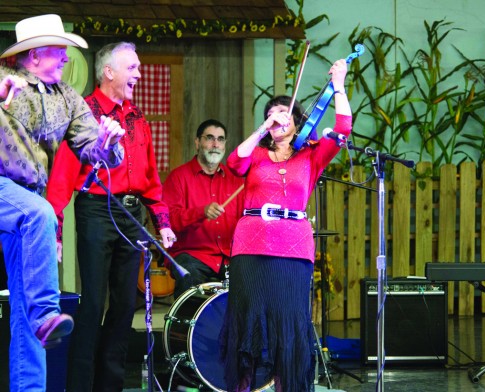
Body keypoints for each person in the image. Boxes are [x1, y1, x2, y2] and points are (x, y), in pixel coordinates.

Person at [0, 14, 125, 391]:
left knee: (25, 309)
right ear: (35, 55)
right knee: (39, 214)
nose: (67, 58)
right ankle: (46, 315)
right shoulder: (4, 82)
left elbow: (94, 150)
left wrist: (108, 144)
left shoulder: (67, 98)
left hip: (22, 203)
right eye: (60, 51)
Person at [46, 42, 176, 391]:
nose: (138, 73)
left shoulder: (137, 116)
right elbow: (62, 177)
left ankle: (111, 386)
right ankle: (80, 386)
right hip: (96, 210)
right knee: (91, 305)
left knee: (123, 309)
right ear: (109, 72)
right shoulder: (84, 113)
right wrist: (56, 230)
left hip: (130, 213)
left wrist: (161, 221)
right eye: (131, 67)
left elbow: (150, 176)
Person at [220, 58, 352, 391]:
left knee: (288, 328)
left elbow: (344, 127)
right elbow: (234, 162)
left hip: (294, 249)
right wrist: (264, 129)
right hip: (250, 246)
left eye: (285, 114)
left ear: (297, 122)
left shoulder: (311, 155)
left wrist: (339, 85)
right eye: (272, 114)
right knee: (247, 323)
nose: (279, 118)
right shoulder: (258, 154)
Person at [162, 119, 245, 300]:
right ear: (197, 142)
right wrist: (201, 212)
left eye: (220, 139)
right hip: (192, 255)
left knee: (254, 276)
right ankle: (185, 329)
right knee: (188, 273)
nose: (215, 144)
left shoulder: (235, 180)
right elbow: (169, 221)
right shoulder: (178, 177)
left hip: (229, 257)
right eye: (209, 138)